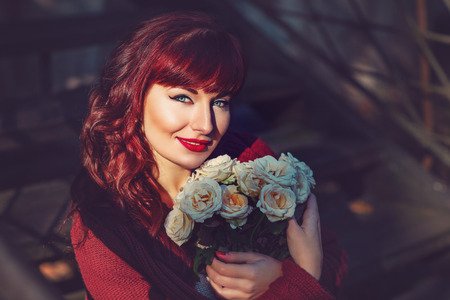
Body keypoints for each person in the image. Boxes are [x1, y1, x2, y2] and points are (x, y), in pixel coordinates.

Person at [70, 11, 347, 300]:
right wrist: (294, 282)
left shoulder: (251, 162)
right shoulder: (103, 226)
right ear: (133, 97)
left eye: (220, 102)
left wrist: (281, 273)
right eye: (182, 97)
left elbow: (333, 259)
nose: (205, 125)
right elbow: (311, 274)